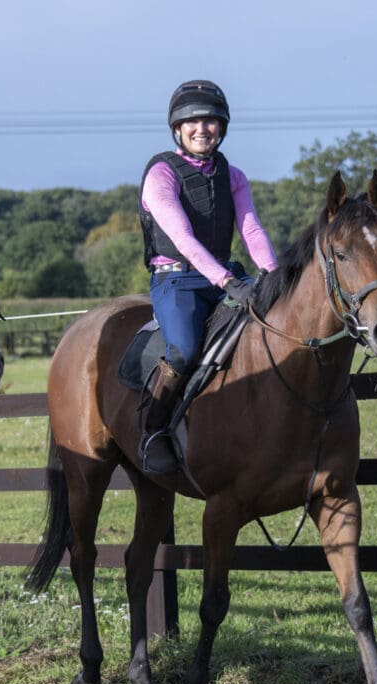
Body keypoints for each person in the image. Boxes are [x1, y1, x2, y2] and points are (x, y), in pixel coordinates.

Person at [137, 79, 279, 473]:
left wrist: (274, 277)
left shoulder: (233, 176)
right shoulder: (161, 175)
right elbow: (183, 239)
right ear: (177, 129)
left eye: (210, 121)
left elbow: (251, 230)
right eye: (192, 122)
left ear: (222, 127)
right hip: (176, 280)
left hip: (224, 275)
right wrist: (226, 282)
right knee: (183, 350)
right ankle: (153, 431)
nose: (202, 129)